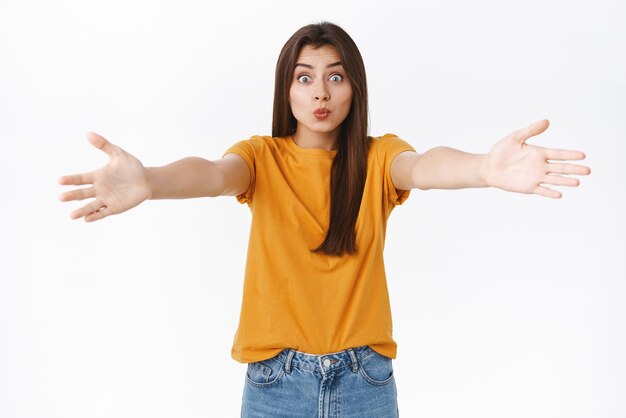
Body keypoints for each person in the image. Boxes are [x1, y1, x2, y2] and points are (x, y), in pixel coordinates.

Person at [57, 21, 591, 418]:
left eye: (335, 77)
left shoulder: (379, 158)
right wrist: (151, 180)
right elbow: (214, 175)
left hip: (365, 382)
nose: (319, 92)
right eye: (304, 77)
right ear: (285, 90)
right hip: (275, 384)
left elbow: (425, 166)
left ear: (354, 87)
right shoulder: (261, 158)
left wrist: (481, 168)